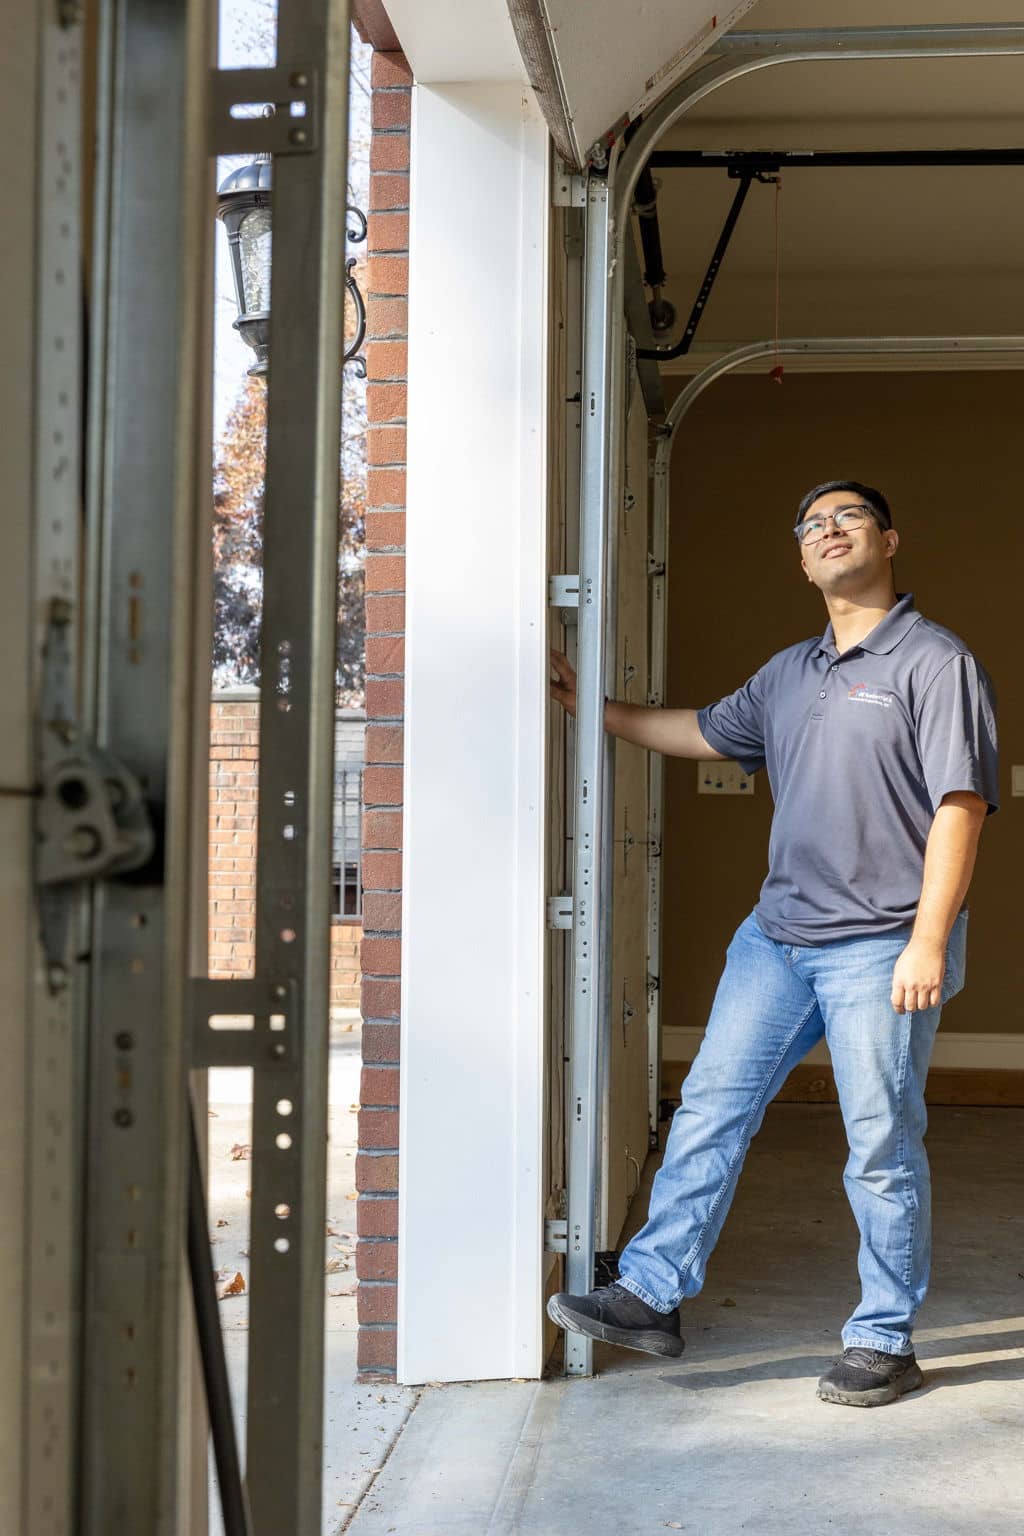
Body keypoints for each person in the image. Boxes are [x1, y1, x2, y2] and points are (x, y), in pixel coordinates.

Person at [547, 479, 998, 1408]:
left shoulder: (935, 661)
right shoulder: (790, 672)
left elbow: (961, 805)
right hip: (777, 938)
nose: (829, 531)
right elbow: (702, 731)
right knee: (710, 1107)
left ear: (890, 540)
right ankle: (652, 1292)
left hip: (882, 944)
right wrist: (593, 708)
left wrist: (928, 941)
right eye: (812, 525)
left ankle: (884, 1338)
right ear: (802, 560)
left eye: (849, 517)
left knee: (880, 1143)